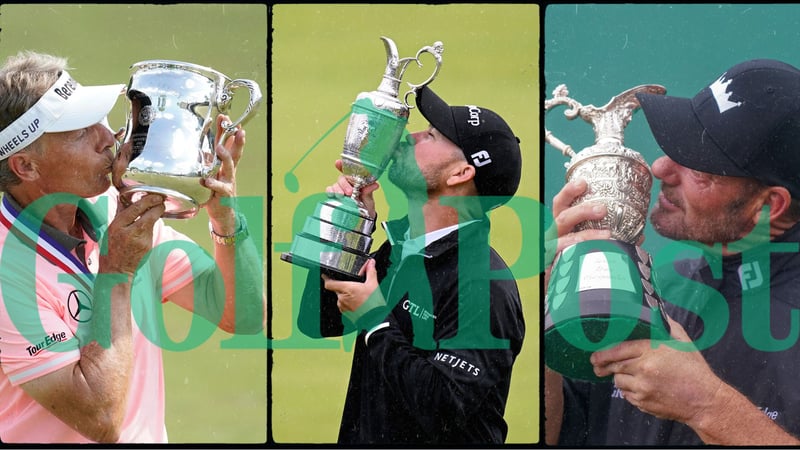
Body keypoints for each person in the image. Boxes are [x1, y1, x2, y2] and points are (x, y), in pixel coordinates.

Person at [0, 51, 265, 443]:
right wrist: (117, 274)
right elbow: (101, 419)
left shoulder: (114, 211)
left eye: (100, 121)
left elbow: (241, 315)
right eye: (80, 132)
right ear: (26, 167)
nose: (108, 140)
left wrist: (223, 215)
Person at [545, 58, 800, 446]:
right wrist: (550, 301)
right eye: (679, 144)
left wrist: (709, 406)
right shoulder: (652, 283)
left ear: (768, 207)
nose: (662, 167)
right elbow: (556, 433)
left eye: (702, 169)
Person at [297, 86, 526, 445]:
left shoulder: (486, 287)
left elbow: (444, 406)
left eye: (431, 134)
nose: (409, 136)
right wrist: (350, 233)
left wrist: (375, 319)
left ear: (460, 174)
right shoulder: (403, 247)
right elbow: (319, 320)